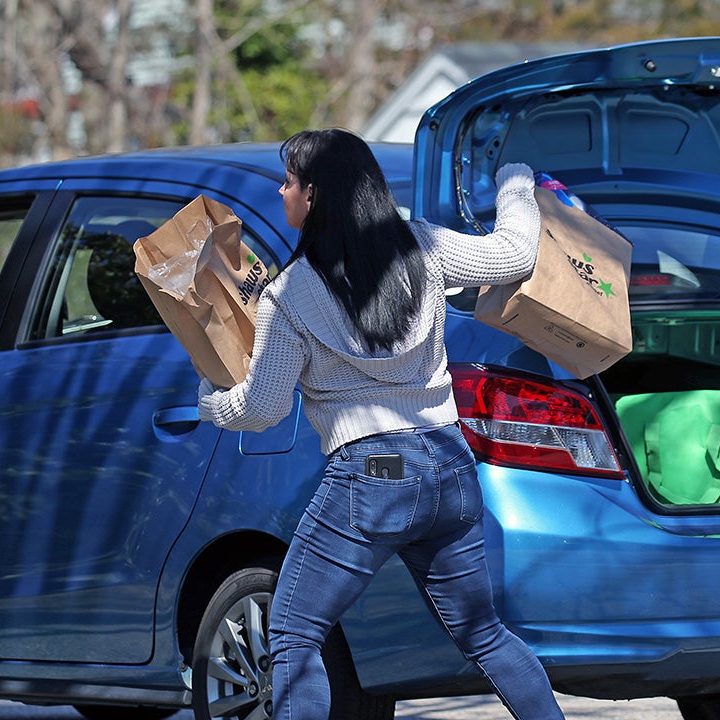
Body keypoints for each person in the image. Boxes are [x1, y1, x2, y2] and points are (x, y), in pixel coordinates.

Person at [196, 128, 565, 720]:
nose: (281, 190)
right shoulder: (425, 247)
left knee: (292, 632)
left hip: (372, 475)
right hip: (449, 466)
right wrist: (515, 181)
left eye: (289, 180)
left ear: (315, 195)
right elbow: (518, 254)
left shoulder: (289, 296)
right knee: (484, 636)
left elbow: (261, 409)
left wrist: (212, 402)